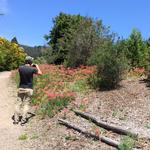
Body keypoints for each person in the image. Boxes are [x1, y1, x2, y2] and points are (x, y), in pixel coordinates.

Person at [13, 56, 42, 125]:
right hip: (29, 89)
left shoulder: (20, 68)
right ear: (31, 62)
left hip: (21, 88)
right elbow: (40, 73)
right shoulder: (32, 69)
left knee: (18, 104)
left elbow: (23, 69)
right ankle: (23, 120)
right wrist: (36, 66)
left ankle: (16, 120)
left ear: (25, 61)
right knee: (26, 104)